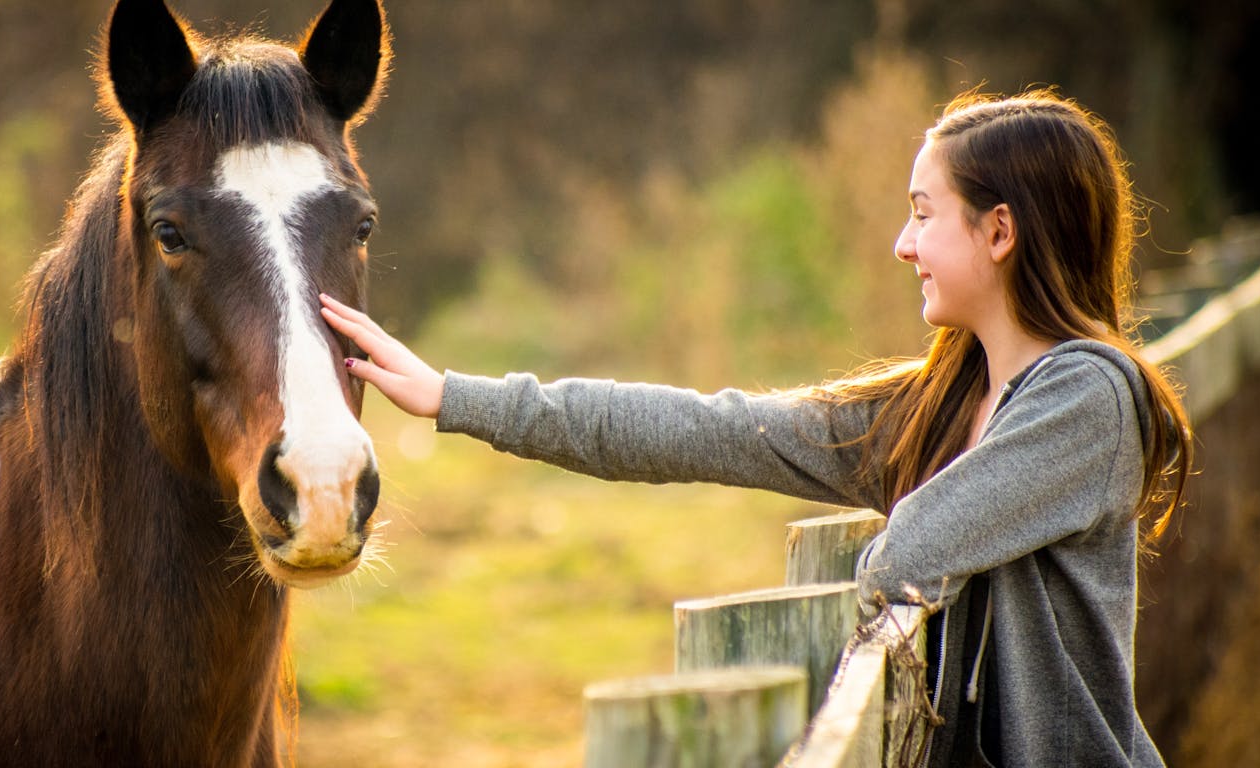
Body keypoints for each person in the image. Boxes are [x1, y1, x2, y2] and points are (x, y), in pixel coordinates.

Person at [319, 88, 1192, 767]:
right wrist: (459, 398)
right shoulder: (941, 409)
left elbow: (913, 551)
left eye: (923, 213)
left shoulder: (1088, 398)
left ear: (999, 231)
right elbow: (709, 431)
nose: (900, 243)